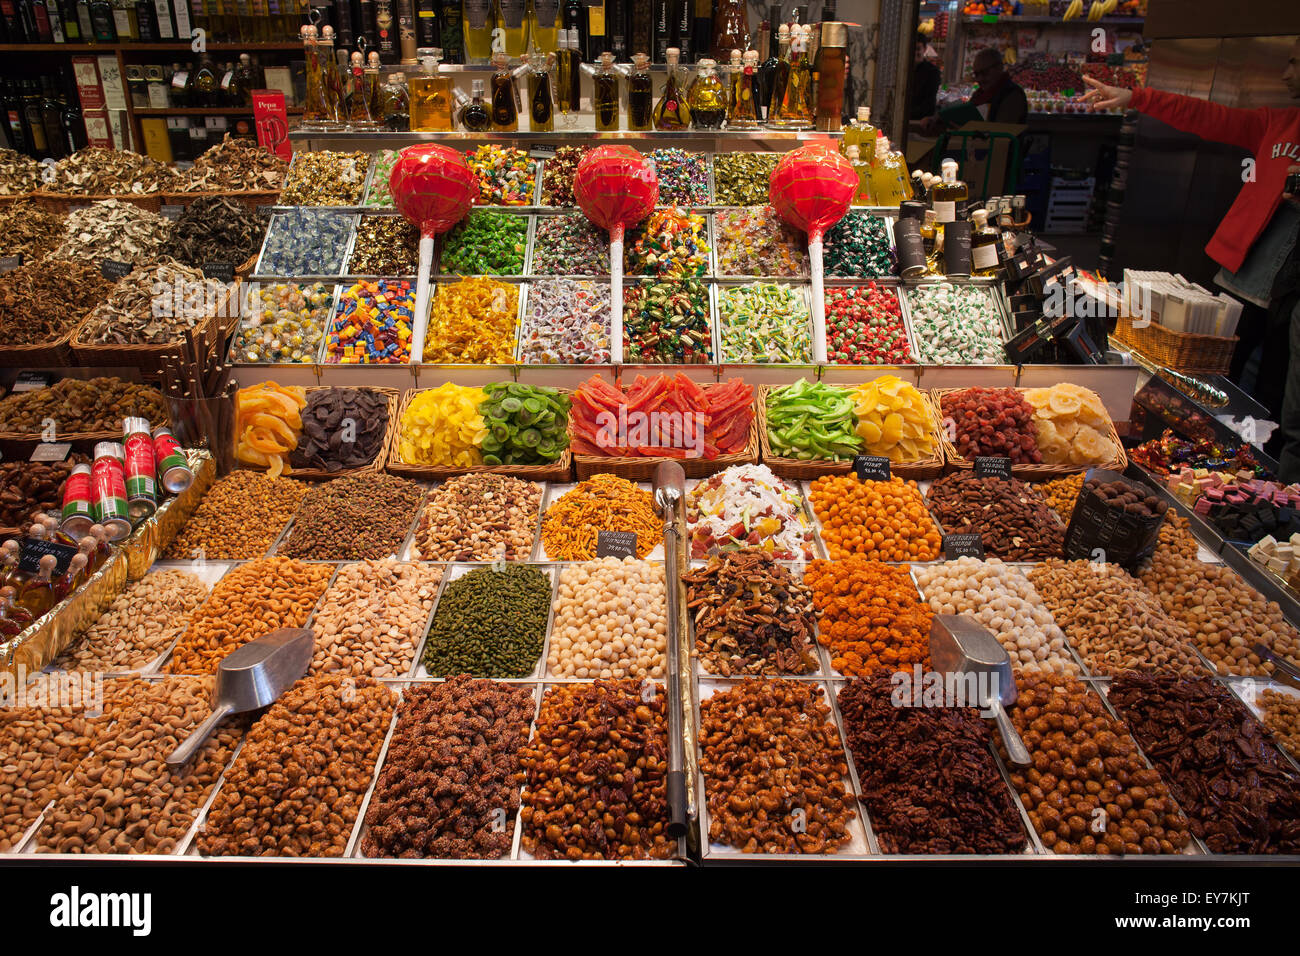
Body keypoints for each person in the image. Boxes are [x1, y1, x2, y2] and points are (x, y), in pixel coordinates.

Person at [1081, 40, 1300, 479]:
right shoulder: (1279, 124)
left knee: (1273, 401)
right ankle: (1190, 473)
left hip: (1291, 294)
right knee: (1207, 393)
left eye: (1295, 62)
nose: (1286, 73)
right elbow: (1209, 118)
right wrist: (1137, 98)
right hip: (1241, 282)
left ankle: (1258, 487)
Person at [911, 33, 942, 121]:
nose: (915, 52)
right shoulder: (900, 70)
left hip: (921, 121)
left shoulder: (932, 72)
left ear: (924, 49)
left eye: (918, 49)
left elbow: (929, 103)